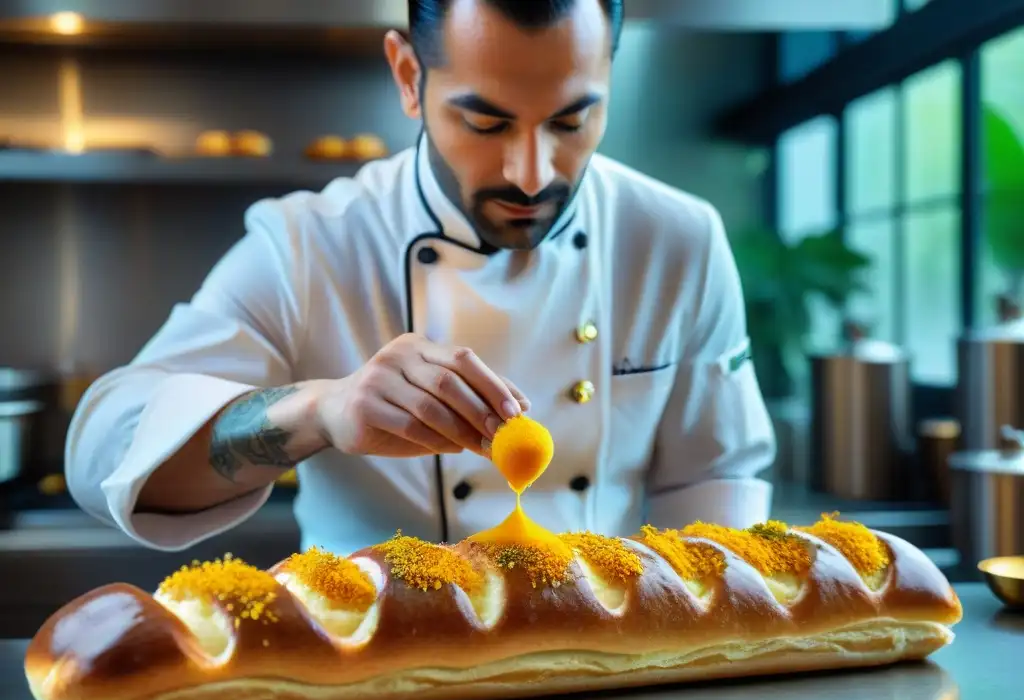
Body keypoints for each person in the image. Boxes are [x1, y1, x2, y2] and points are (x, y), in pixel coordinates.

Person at [65, 0, 777, 555]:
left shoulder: (675, 239)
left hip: (597, 666)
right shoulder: (309, 244)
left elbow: (713, 476)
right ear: (410, 77)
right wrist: (320, 411)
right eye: (487, 124)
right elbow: (104, 453)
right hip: (367, 687)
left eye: (570, 122)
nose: (531, 174)